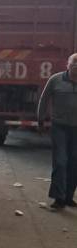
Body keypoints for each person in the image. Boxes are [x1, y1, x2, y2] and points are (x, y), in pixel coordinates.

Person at [37, 53, 77, 210]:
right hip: (59, 127)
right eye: (74, 63)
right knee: (60, 161)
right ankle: (58, 198)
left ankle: (68, 197)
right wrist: (40, 120)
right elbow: (44, 99)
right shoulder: (56, 80)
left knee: (74, 162)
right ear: (68, 65)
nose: (76, 67)